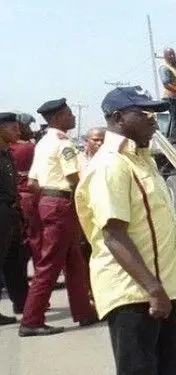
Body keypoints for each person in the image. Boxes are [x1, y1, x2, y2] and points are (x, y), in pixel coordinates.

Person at [75, 86, 176, 375]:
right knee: (139, 372)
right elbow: (114, 235)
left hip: (161, 287)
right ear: (117, 118)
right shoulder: (111, 165)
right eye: (144, 114)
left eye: (155, 113)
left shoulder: (142, 159)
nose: (154, 120)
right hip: (135, 293)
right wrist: (153, 290)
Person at [20, 98, 97, 337]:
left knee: (74, 261)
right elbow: (74, 177)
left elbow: (33, 183)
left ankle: (84, 312)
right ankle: (31, 320)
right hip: (62, 203)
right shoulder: (63, 143)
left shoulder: (43, 143)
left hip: (47, 201)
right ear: (57, 118)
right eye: (69, 114)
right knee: (49, 264)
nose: (73, 117)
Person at [0, 112, 29, 323]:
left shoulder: (7, 153)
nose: (18, 132)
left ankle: (23, 303)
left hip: (10, 212)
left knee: (16, 259)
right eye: (13, 128)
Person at [9, 113, 42, 274]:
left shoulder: (9, 148)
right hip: (28, 198)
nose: (30, 130)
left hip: (13, 199)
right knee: (35, 240)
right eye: (27, 126)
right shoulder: (28, 148)